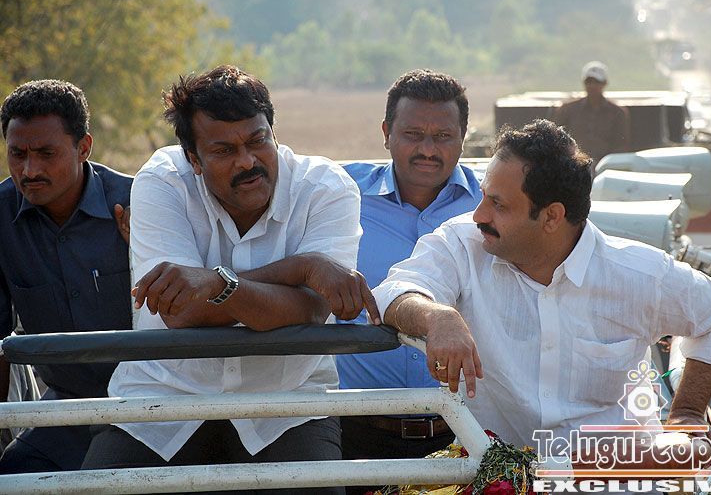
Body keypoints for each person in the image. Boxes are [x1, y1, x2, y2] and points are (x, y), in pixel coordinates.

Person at [81, 65, 377, 495]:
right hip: (164, 397)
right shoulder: (163, 180)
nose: (247, 162)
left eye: (258, 141)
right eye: (223, 150)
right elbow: (180, 312)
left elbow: (313, 309)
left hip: (288, 405)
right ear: (193, 160)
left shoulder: (325, 188)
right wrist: (301, 268)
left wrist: (214, 285)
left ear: (274, 132)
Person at [372, 119, 711, 454]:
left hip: (612, 479)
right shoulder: (463, 244)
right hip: (501, 479)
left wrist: (687, 414)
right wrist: (437, 317)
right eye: (484, 196)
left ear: (552, 216)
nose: (479, 215)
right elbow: (395, 290)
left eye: (498, 204)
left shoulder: (638, 273)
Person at [335, 70, 481, 472]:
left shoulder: (491, 208)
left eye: (443, 136)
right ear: (386, 133)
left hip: (466, 432)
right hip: (354, 429)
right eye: (413, 134)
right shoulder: (340, 195)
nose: (427, 150)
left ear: (463, 137)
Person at [0, 79, 133, 473]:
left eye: (46, 153)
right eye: (17, 154)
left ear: (84, 147)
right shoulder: (1, 218)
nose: (29, 170)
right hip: (64, 408)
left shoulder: (136, 205)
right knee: (14, 477)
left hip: (147, 407)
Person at [554, 61, 630, 169]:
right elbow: (557, 140)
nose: (592, 86)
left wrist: (606, 164)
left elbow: (621, 145)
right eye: (589, 81)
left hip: (606, 166)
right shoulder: (567, 110)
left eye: (596, 82)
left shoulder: (618, 112)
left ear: (604, 83)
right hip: (574, 166)